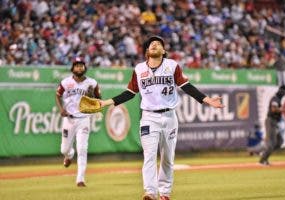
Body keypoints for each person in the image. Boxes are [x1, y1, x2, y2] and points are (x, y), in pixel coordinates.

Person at [99, 36, 224, 200]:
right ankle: (150, 192)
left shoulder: (172, 66)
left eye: (158, 44)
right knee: (149, 155)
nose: (155, 44)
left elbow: (186, 86)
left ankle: (164, 193)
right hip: (149, 118)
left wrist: (207, 100)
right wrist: (106, 102)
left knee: (167, 157)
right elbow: (130, 92)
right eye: (151, 44)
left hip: (169, 117)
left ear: (163, 51)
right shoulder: (139, 69)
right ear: (146, 52)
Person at [55, 57, 101, 187]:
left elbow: (99, 99)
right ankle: (69, 155)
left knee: (82, 148)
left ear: (85, 68)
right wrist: (61, 109)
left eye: (81, 65)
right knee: (64, 149)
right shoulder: (65, 82)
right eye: (77, 65)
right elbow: (57, 95)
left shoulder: (92, 83)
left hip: (84, 119)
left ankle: (80, 179)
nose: (79, 67)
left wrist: (92, 96)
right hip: (69, 119)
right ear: (72, 68)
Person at [259, 85, 285, 166]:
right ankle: (262, 160)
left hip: (275, 122)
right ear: (281, 91)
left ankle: (264, 153)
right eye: (284, 92)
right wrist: (282, 109)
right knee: (272, 142)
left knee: (279, 142)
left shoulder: (278, 99)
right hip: (271, 121)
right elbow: (273, 109)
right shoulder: (275, 98)